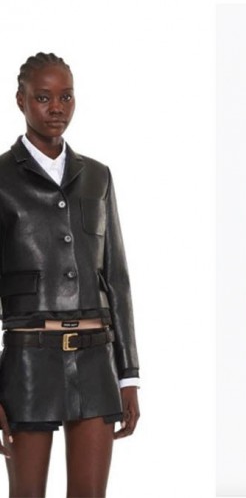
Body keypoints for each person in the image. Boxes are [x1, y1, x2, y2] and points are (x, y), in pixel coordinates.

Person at [0, 52, 140, 497]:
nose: (56, 108)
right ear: (20, 100)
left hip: (96, 359)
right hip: (27, 360)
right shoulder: (1, 178)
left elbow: (116, 278)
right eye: (43, 98)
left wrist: (128, 375)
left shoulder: (97, 176)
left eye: (66, 97)